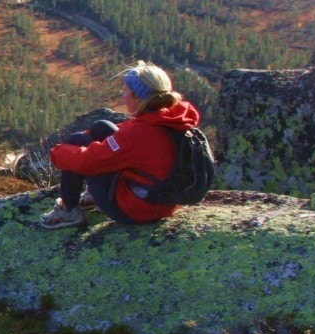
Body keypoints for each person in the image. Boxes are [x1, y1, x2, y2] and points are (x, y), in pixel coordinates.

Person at [39, 61, 201, 229]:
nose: (122, 95)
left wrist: (59, 153)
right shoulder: (169, 118)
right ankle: (92, 197)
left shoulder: (139, 134)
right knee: (101, 127)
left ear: (138, 96)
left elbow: (89, 161)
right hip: (159, 201)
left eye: (125, 90)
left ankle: (68, 211)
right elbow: (125, 137)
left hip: (135, 210)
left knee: (77, 141)